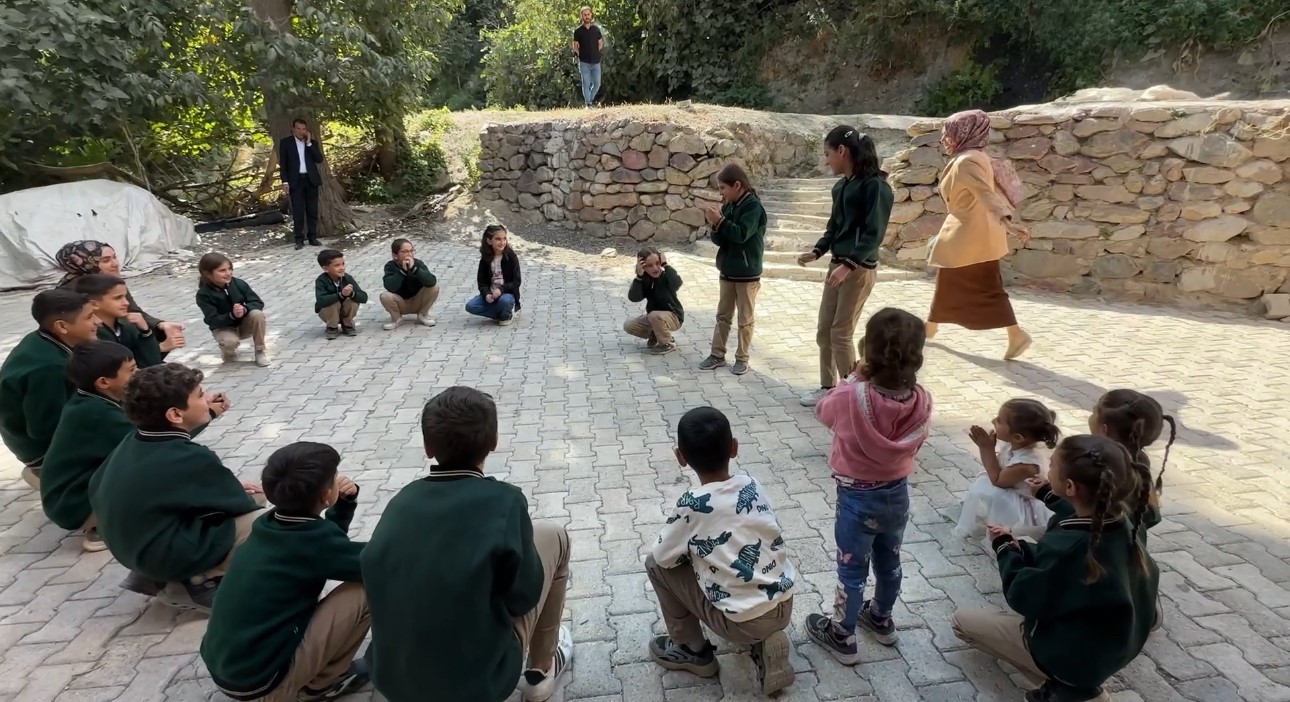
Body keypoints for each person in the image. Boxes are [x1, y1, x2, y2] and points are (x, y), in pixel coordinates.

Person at [361, 387, 572, 702]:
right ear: (494, 443)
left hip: (393, 679)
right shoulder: (506, 501)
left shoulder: (401, 500)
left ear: (427, 447)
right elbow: (523, 596)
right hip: (479, 685)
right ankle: (541, 672)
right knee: (555, 536)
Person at [952, 435, 1160, 702]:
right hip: (1117, 646)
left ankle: (1069, 691)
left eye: (1052, 467)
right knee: (1028, 548)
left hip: (1071, 656)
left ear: (1070, 486)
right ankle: (1074, 684)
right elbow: (1075, 528)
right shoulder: (1124, 522)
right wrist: (1046, 496)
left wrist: (1005, 548)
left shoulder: (1070, 546)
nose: (1047, 469)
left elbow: (1023, 595)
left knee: (962, 621)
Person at [201, 442, 371, 702]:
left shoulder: (267, 525)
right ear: (327, 495)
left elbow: (327, 546)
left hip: (230, 670)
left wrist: (345, 504)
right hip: (263, 685)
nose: (340, 480)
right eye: (335, 478)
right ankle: (321, 685)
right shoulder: (313, 544)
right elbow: (377, 563)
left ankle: (308, 677)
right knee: (367, 589)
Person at [807, 307, 932, 662]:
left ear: (869, 352)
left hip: (856, 498)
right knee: (890, 560)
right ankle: (880, 617)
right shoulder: (920, 400)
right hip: (897, 495)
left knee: (851, 567)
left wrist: (851, 378)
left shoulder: (853, 395)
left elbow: (823, 411)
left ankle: (842, 635)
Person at [88, 363, 266, 610]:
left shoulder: (133, 440)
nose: (207, 399)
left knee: (240, 500)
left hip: (130, 547)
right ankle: (196, 582)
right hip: (158, 554)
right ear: (174, 415)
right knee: (262, 519)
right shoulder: (191, 457)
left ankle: (155, 574)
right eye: (200, 395)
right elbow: (238, 502)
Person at [646, 407, 796, 695]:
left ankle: (693, 650)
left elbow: (664, 556)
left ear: (681, 458)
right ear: (734, 448)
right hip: (783, 602)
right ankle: (765, 639)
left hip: (740, 621)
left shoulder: (692, 503)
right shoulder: (751, 484)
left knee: (654, 564)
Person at [797, 127, 894, 407]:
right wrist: (817, 251)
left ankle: (855, 395)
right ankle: (828, 387)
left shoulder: (876, 186)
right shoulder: (840, 186)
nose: (826, 160)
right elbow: (834, 227)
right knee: (824, 330)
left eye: (827, 154)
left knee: (841, 333)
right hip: (838, 266)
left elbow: (873, 234)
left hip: (857, 269)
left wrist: (849, 265)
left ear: (842, 151)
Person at [925, 109, 1033, 360]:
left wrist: (1008, 222)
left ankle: (1016, 335)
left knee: (987, 287)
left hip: (971, 236)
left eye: (950, 132)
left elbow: (986, 194)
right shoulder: (974, 155)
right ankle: (929, 326)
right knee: (950, 282)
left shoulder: (967, 161)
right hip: (970, 235)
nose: (945, 138)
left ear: (966, 133)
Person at [1034, 389, 1177, 545]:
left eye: (1094, 411)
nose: (1091, 414)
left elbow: (1086, 513)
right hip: (1121, 546)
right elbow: (1149, 516)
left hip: (1088, 548)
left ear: (1104, 430)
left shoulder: (1101, 467)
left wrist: (1047, 494)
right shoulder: (1139, 461)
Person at [41, 343, 139, 551]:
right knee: (154, 467)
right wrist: (204, 415)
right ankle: (103, 527)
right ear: (103, 382)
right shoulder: (97, 414)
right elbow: (156, 440)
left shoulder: (90, 399)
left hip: (68, 500)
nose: (138, 374)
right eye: (131, 371)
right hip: (73, 506)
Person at [0, 289, 99, 489]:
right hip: (39, 448)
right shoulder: (49, 368)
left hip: (36, 433)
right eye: (89, 317)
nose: (98, 321)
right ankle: (48, 479)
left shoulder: (45, 339)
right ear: (62, 326)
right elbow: (44, 430)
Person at [954, 398, 1059, 549]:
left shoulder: (1027, 464)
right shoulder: (1015, 446)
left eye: (999, 420)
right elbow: (998, 467)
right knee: (985, 486)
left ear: (1018, 437)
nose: (993, 421)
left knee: (992, 491)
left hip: (1024, 505)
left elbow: (997, 480)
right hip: (1011, 490)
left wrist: (986, 448)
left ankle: (1005, 534)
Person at [54, 239, 186, 352]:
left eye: (114, 257)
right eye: (106, 260)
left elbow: (134, 311)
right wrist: (157, 348)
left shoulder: (111, 282)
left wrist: (161, 325)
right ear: (88, 265)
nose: (115, 264)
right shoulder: (68, 295)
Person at [698, 164, 766, 376]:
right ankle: (717, 354)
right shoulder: (729, 206)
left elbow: (741, 235)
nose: (721, 193)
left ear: (737, 185)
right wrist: (715, 224)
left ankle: (742, 357)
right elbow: (720, 239)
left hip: (747, 274)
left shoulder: (753, 207)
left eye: (723, 188)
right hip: (727, 271)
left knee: (745, 319)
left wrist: (721, 221)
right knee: (722, 316)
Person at [72, 274, 164, 368]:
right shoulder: (90, 334)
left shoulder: (129, 326)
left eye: (125, 297)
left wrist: (146, 332)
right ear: (94, 304)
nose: (126, 303)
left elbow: (152, 363)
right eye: (118, 298)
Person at [195, 252, 271, 367]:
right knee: (229, 342)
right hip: (224, 328)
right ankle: (228, 351)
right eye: (222, 270)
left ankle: (260, 351)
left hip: (244, 324)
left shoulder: (238, 283)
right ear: (208, 274)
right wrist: (231, 315)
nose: (228, 273)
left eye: (230, 269)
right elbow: (212, 320)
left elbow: (257, 302)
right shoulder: (203, 294)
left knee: (257, 314)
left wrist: (245, 309)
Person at [625, 247, 684, 355]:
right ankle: (657, 336)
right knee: (629, 325)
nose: (655, 268)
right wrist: (639, 277)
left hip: (674, 317)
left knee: (654, 315)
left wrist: (666, 265)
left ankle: (666, 344)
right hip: (654, 318)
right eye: (650, 265)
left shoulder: (666, 276)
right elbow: (634, 298)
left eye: (657, 263)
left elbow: (677, 283)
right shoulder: (644, 279)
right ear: (642, 266)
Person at [279, 117, 325, 250]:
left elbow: (319, 159)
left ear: (307, 130)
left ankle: (312, 237)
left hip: (311, 180)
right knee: (298, 211)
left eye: (303, 129)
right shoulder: (286, 143)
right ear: (293, 129)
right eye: (298, 128)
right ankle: (299, 239)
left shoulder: (312, 143)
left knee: (312, 210)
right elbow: (283, 164)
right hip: (295, 180)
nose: (301, 131)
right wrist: (285, 181)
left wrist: (309, 143)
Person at [467, 225, 523, 326]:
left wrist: (501, 289)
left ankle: (507, 314)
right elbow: (482, 282)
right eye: (498, 239)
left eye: (504, 239)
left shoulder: (511, 257)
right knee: (471, 306)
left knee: (504, 301)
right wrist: (486, 293)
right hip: (492, 294)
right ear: (489, 241)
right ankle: (501, 314)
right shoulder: (485, 259)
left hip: (507, 294)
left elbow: (516, 281)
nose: (502, 242)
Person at [380, 238, 440, 330]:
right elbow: (390, 287)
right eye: (405, 251)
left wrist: (414, 269)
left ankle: (423, 315)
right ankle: (397, 319)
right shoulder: (390, 266)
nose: (409, 254)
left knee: (434, 287)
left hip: (418, 301)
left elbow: (431, 281)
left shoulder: (418, 263)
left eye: (411, 251)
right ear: (395, 255)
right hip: (401, 302)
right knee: (385, 296)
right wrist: (402, 272)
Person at [314, 249, 368, 340]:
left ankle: (348, 325)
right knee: (332, 302)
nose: (342, 267)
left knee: (352, 301)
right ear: (326, 269)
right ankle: (332, 327)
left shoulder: (347, 278)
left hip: (344, 311)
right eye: (337, 265)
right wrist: (340, 295)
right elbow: (321, 301)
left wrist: (351, 294)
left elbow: (364, 297)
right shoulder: (321, 281)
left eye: (343, 264)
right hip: (328, 313)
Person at [571, 6, 604, 108]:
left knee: (597, 84)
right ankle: (588, 104)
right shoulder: (578, 31)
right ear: (581, 17)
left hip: (596, 61)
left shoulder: (596, 30)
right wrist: (580, 53)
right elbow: (574, 46)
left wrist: (594, 52)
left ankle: (589, 100)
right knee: (586, 83)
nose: (587, 16)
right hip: (584, 62)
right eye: (584, 15)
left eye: (588, 14)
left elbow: (600, 43)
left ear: (591, 15)